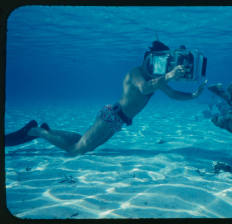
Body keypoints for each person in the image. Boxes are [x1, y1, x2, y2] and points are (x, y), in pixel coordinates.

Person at [13, 41, 207, 156]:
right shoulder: (137, 73)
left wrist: (193, 95)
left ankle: (50, 130)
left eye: (163, 62)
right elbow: (143, 88)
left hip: (116, 120)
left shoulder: (156, 79)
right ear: (148, 58)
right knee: (77, 151)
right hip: (111, 116)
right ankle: (37, 131)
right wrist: (169, 76)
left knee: (83, 143)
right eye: (158, 61)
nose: (160, 65)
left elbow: (172, 94)